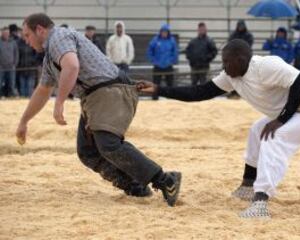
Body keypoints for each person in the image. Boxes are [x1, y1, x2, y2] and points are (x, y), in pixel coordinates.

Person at [137, 39, 300, 218]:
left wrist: (281, 120)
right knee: (257, 130)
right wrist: (158, 89)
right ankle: (247, 186)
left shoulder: (265, 66)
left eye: (227, 61)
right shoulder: (231, 77)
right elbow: (199, 92)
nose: (224, 66)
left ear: (242, 59)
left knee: (274, 136)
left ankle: (260, 202)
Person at [16, 13, 181, 206]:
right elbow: (43, 90)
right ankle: (135, 186)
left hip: (109, 90)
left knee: (108, 144)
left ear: (40, 30)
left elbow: (71, 66)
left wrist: (59, 102)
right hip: (95, 96)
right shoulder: (49, 59)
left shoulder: (58, 36)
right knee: (87, 151)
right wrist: (23, 121)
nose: (26, 41)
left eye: (27, 35)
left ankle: (165, 180)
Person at [147, 23, 178, 100]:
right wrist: (153, 60)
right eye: (163, 31)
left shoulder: (172, 40)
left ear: (168, 32)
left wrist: (172, 60)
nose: (164, 33)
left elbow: (175, 52)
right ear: (160, 32)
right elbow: (149, 50)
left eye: (166, 31)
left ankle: (171, 100)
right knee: (155, 85)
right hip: (158, 66)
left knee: (170, 85)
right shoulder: (155, 40)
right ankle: (154, 100)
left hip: (168, 66)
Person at [17, 30, 39, 97]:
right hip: (21, 68)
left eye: (25, 35)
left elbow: (37, 54)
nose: (24, 36)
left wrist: (34, 62)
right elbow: (17, 55)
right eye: (22, 35)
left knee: (30, 87)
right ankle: (23, 100)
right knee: (22, 87)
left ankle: (29, 99)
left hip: (31, 69)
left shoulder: (32, 43)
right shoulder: (18, 43)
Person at [0, 26, 19, 97]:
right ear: (2, 33)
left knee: (11, 83)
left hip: (11, 67)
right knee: (0, 83)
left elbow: (16, 54)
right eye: (4, 33)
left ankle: (11, 96)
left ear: (9, 33)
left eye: (7, 33)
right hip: (1, 68)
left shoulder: (13, 42)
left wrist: (15, 64)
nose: (6, 34)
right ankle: (1, 96)